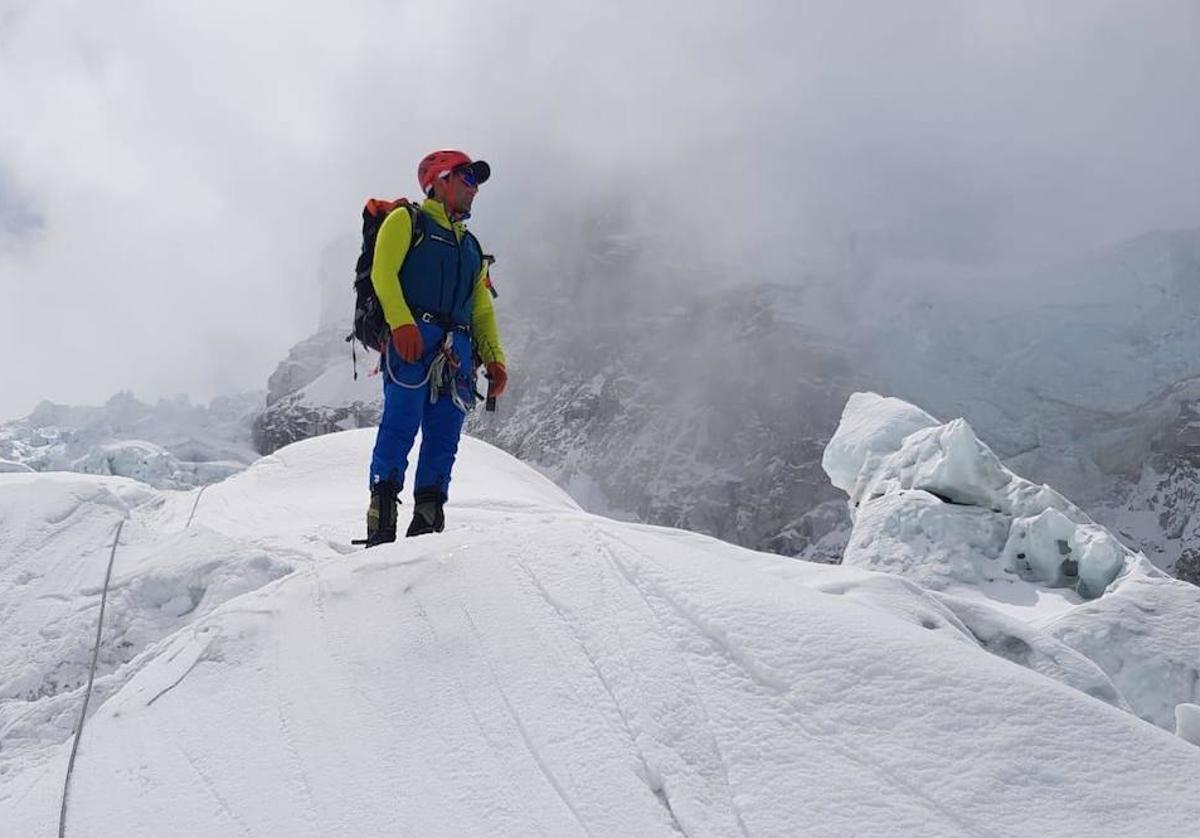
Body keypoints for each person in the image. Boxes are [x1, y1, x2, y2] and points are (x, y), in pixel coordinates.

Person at [364, 149, 507, 545]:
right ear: (439, 181)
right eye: (467, 178)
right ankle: (382, 517)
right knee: (400, 423)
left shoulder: (472, 248)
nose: (474, 188)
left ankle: (428, 522)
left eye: (475, 181)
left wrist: (495, 360)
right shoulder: (405, 221)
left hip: (457, 352)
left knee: (444, 437)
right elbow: (383, 273)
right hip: (414, 340)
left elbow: (481, 310)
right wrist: (401, 322)